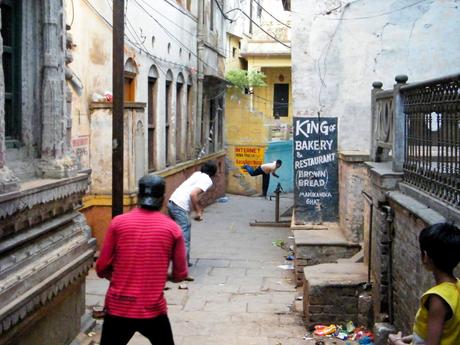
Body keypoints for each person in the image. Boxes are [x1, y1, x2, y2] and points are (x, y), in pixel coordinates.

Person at [96, 175, 188, 345]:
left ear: (138, 197)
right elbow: (180, 274)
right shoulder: (173, 229)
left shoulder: (118, 223)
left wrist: (118, 275)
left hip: (118, 307)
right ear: (162, 199)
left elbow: (101, 267)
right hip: (152, 309)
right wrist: (158, 276)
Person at [388, 222, 460, 345]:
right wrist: (409, 339)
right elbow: (444, 331)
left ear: (425, 256)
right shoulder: (456, 287)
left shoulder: (438, 298)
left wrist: (397, 343)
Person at [168, 160, 217, 267]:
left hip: (172, 202)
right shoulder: (208, 180)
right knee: (184, 238)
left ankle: (183, 262)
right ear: (213, 173)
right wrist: (198, 211)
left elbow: (194, 194)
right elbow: (193, 194)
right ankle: (182, 267)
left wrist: (199, 206)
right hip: (180, 206)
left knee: (174, 235)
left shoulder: (197, 174)